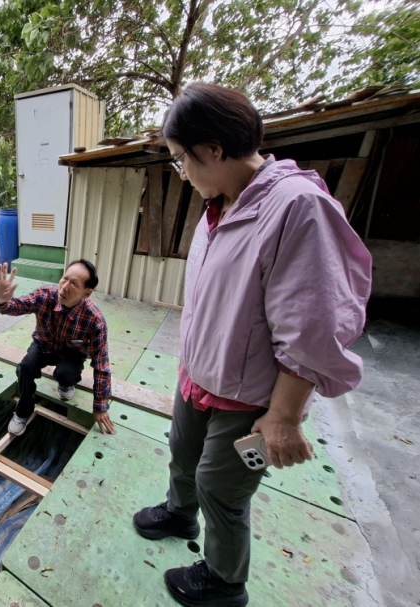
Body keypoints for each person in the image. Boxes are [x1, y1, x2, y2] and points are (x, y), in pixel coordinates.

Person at [131, 83, 371, 607]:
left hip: (248, 398)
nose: (182, 173)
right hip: (199, 377)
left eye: (180, 160)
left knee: (224, 489)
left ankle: (223, 581)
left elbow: (313, 321)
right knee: (182, 455)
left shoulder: (297, 206)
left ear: (214, 149)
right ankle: (178, 512)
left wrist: (284, 417)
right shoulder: (220, 202)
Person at [0, 260, 115, 436]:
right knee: (25, 368)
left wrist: (100, 405)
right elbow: (18, 305)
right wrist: (1, 301)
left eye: (74, 284)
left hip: (72, 354)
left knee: (65, 373)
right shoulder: (45, 295)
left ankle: (66, 383)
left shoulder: (95, 320)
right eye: (64, 279)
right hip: (44, 345)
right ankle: (22, 412)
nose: (64, 287)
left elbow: (101, 365)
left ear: (86, 293)